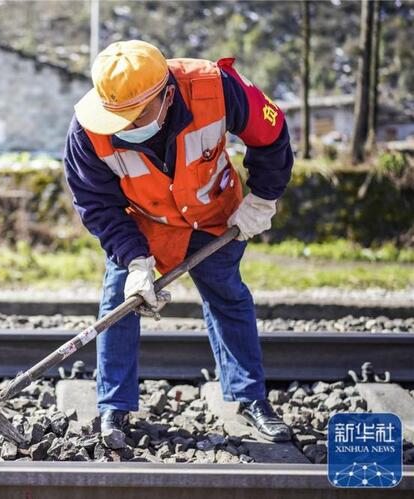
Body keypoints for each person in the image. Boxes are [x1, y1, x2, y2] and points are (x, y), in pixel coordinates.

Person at [63, 40, 294, 447]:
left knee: (227, 296)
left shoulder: (216, 86)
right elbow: (96, 205)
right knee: (120, 302)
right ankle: (113, 408)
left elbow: (270, 134)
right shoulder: (86, 130)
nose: (125, 128)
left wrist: (263, 197)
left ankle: (251, 398)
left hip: (214, 212)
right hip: (144, 223)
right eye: (117, 118)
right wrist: (135, 262)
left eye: (137, 116)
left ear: (167, 94)